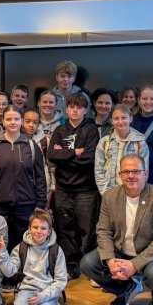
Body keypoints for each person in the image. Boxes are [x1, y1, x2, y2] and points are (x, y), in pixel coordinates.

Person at [79, 154, 153, 305]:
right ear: (120, 175)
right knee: (87, 264)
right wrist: (110, 261)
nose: (131, 175)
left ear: (146, 174)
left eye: (136, 171)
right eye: (126, 172)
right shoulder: (110, 197)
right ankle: (125, 290)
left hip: (151, 254)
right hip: (120, 251)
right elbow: (103, 231)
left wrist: (134, 265)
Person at [47, 92, 101, 279]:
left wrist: (65, 154)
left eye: (79, 107)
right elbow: (51, 156)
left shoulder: (91, 129)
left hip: (86, 190)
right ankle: (71, 267)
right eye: (71, 107)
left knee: (88, 231)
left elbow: (90, 158)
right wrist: (75, 153)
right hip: (63, 189)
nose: (75, 110)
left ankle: (90, 268)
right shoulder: (59, 131)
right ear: (67, 109)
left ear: (85, 110)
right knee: (65, 230)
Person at [0, 105, 48, 256]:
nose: (13, 122)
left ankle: (21, 274)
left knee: (23, 244)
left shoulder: (32, 146)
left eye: (16, 119)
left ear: (21, 122)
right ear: (3, 122)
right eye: (9, 119)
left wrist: (40, 203)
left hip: (26, 205)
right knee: (1, 243)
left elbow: (40, 177)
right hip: (0, 205)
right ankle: (4, 276)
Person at [0, 211, 67, 305]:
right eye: (35, 227)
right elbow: (9, 272)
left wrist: (43, 297)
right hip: (26, 289)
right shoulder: (21, 248)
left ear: (49, 231)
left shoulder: (57, 251)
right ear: (29, 229)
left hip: (47, 291)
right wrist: (2, 252)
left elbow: (60, 281)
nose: (39, 231)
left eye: (43, 228)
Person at [95, 104, 149, 196]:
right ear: (111, 121)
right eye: (116, 118)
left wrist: (133, 193)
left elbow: (143, 172)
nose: (120, 122)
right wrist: (107, 194)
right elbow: (98, 171)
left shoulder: (140, 143)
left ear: (130, 119)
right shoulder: (104, 142)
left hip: (133, 193)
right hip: (110, 192)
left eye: (124, 117)